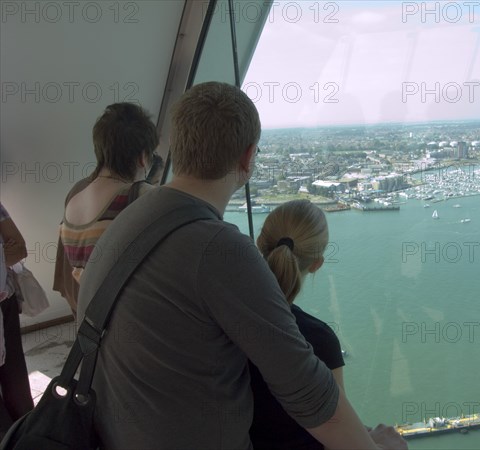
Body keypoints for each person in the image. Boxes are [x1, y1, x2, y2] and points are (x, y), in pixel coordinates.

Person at [77, 82, 407, 449]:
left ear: (177, 147)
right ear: (248, 157)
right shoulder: (220, 248)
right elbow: (310, 393)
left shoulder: (129, 218)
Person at [250, 199, 358, 449]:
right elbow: (338, 424)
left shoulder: (224, 319)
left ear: (260, 246)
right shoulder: (319, 339)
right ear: (317, 263)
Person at [52, 102, 163, 316]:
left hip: (86, 310)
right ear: (142, 157)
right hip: (121, 319)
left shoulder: (76, 192)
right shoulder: (141, 196)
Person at [0, 203, 34, 439]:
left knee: (15, 381)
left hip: (4, 304)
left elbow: (20, 249)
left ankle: (28, 435)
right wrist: (2, 253)